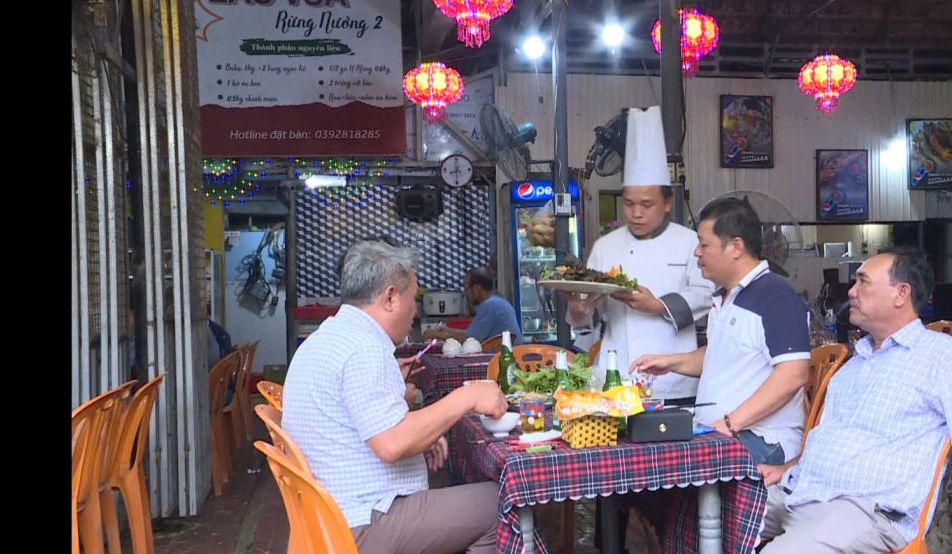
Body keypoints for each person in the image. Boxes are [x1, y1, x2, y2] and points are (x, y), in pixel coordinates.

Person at [756, 246, 952, 554]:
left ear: (901, 293)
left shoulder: (944, 356)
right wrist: (789, 467)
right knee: (707, 514)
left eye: (863, 282)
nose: (851, 291)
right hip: (799, 491)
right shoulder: (854, 365)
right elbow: (837, 440)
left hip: (862, 512)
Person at [282, 239, 509, 553]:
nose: (415, 310)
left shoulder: (330, 336)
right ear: (390, 297)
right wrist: (466, 397)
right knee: (504, 502)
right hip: (358, 524)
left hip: (329, 517)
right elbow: (392, 443)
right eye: (413, 298)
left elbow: (372, 426)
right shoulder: (364, 349)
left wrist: (417, 434)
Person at [562, 106, 716, 553]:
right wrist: (578, 310)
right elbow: (588, 319)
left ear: (668, 201)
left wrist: (657, 305)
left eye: (647, 204)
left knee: (673, 488)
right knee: (613, 487)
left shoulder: (691, 242)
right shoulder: (605, 246)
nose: (637, 212)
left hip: (677, 384)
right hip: (618, 385)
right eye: (629, 203)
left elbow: (707, 297)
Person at [629, 196, 812, 542]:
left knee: (669, 473)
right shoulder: (725, 297)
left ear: (736, 248)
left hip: (763, 439)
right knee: (643, 468)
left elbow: (793, 375)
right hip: (722, 430)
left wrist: (730, 424)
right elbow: (719, 356)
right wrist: (670, 362)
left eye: (703, 244)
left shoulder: (777, 297)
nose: (696, 253)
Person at [423, 267, 522, 345]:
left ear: (476, 288)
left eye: (466, 288)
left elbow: (468, 339)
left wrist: (438, 335)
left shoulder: (490, 305)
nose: (465, 294)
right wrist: (449, 331)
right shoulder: (497, 301)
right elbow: (472, 333)